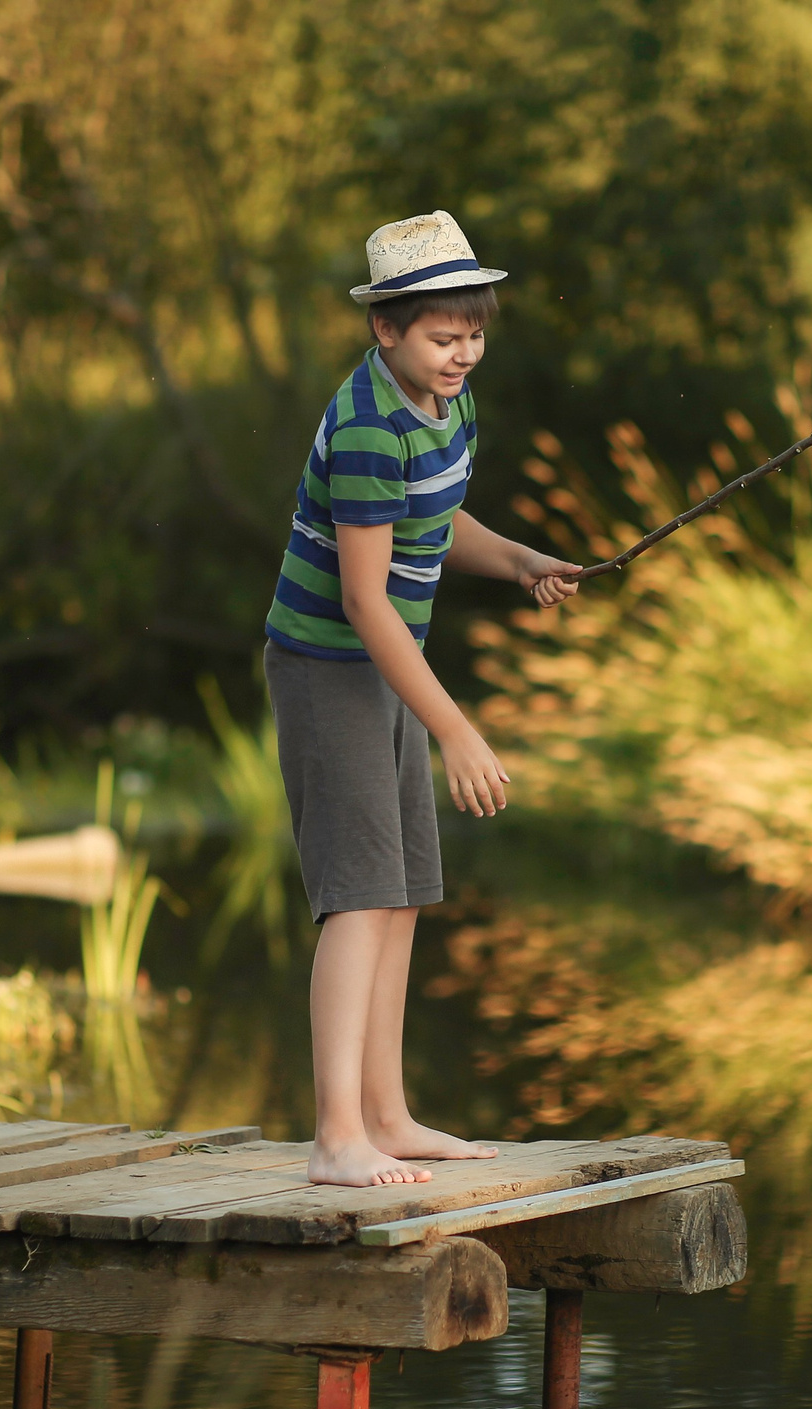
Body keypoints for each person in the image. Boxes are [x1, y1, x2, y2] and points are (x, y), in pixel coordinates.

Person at [264, 211, 582, 1188]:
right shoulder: (366, 424)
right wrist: (455, 729)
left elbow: (436, 518)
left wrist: (518, 557)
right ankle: (335, 1135)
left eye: (474, 334)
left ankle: (388, 1116)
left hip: (387, 664)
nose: (463, 354)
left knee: (399, 897)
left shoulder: (448, 404)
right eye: (443, 337)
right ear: (385, 331)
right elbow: (363, 599)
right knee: (357, 899)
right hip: (331, 667)